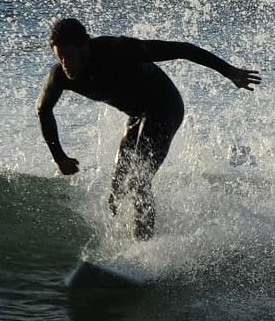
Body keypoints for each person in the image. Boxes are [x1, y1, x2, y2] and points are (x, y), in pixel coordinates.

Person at [36, 18, 261, 240]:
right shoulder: (60, 77)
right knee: (116, 192)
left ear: (85, 46)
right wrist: (59, 157)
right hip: (137, 116)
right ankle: (128, 243)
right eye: (60, 57)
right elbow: (43, 110)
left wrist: (229, 71)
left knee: (138, 182)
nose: (65, 64)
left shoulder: (117, 50)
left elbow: (183, 49)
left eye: (69, 56)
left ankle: (144, 249)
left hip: (165, 106)